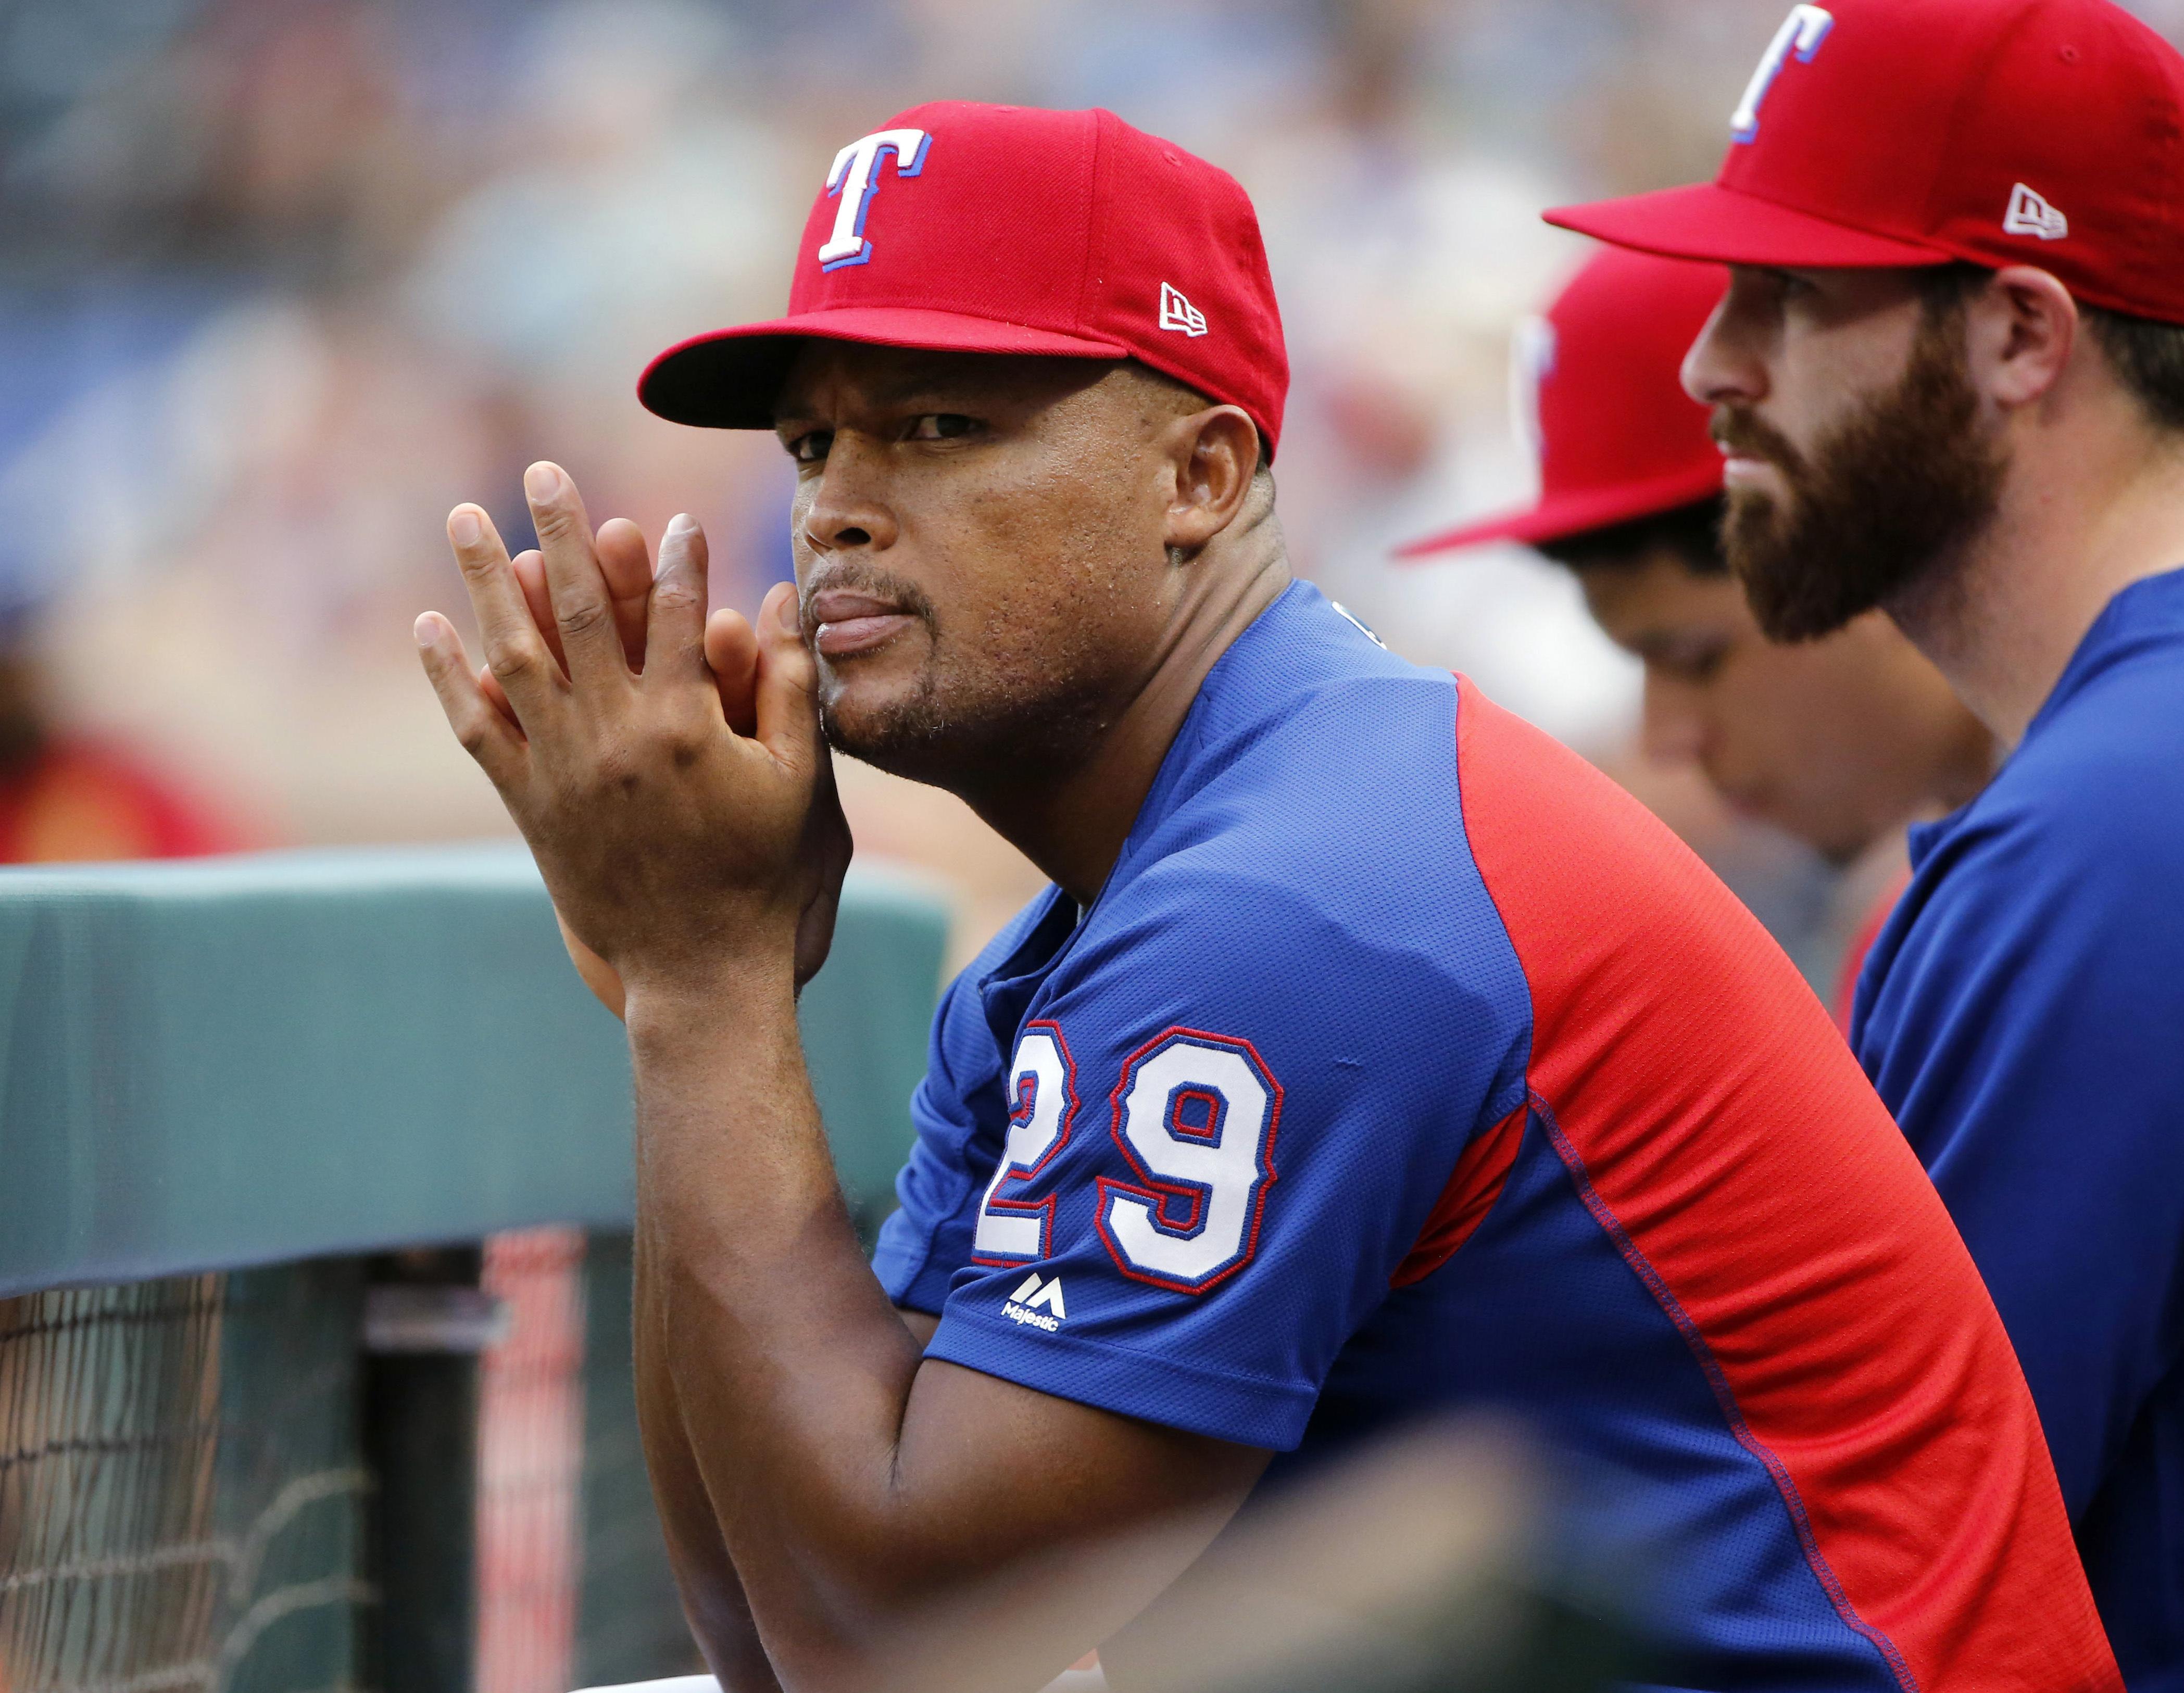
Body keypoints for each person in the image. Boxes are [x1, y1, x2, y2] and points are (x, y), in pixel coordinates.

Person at [414, 102, 2114, 1690]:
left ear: (1201, 477)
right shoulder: (1094, 939)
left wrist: (707, 987)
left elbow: (896, 1654)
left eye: (940, 426)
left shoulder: (1300, 903)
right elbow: (777, 1617)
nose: (841, 508)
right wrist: (679, 998)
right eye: (811, 442)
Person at [1547, 0, 2184, 1679]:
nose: (1710, 365)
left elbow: (1868, 1587)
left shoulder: (2101, 837)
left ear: (2021, 337)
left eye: (1793, 296)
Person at [1400, 246, 1994, 1026]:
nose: (1666, 739)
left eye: (1696, 659)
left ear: (1874, 537)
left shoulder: (2017, 896)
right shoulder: (1933, 899)